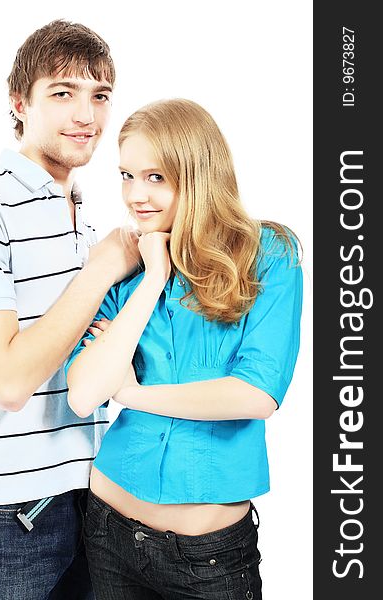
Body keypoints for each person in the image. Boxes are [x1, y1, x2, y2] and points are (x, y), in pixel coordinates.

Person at [0, 19, 139, 600]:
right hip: (5, 516)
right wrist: (101, 270)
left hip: (97, 498)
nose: (86, 116)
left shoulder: (88, 220)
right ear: (20, 103)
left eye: (99, 96)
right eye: (62, 93)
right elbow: (10, 380)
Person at [65, 98, 303, 599]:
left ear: (198, 174)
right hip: (108, 530)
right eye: (127, 175)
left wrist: (133, 394)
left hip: (209, 556)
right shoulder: (129, 272)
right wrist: (153, 278)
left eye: (155, 177)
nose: (135, 195)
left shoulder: (269, 255)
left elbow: (256, 394)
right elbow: (85, 393)